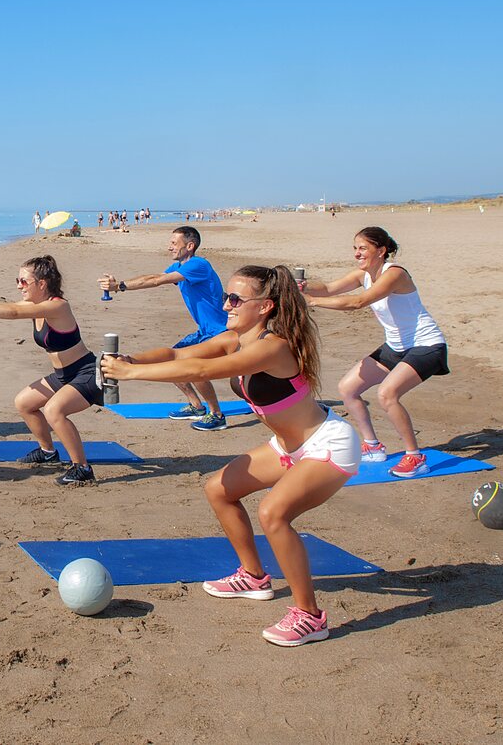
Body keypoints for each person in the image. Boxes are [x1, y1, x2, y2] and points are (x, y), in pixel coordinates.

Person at [102, 264, 358, 646]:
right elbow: (178, 353)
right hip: (288, 448)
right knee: (219, 489)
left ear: (266, 307)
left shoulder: (274, 346)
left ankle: (310, 616)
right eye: (226, 296)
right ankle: (254, 577)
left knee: (273, 513)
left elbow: (202, 368)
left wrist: (130, 376)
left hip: (328, 444)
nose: (226, 305)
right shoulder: (234, 339)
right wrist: (130, 361)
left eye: (236, 299)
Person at [301, 226, 449, 477]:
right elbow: (327, 288)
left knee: (387, 394)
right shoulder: (363, 274)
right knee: (348, 388)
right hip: (396, 346)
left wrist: (312, 302)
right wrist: (304, 287)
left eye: (363, 248)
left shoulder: (395, 274)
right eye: (355, 248)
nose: (357, 254)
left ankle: (415, 457)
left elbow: (358, 302)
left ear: (381, 251)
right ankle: (373, 446)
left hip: (426, 345)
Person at [0, 255, 102, 486]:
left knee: (53, 411)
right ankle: (48, 452)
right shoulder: (35, 305)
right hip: (63, 376)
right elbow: (5, 305)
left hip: (85, 373)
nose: (19, 285)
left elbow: (14, 312)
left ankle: (82, 468)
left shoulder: (58, 306)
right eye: (17, 280)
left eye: (23, 281)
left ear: (42, 283)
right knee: (24, 403)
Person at [98, 226, 231, 430]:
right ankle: (196, 406)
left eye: (173, 243)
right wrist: (121, 286)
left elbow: (157, 281)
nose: (169, 247)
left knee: (194, 370)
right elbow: (153, 278)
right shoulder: (181, 266)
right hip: (204, 331)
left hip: (220, 331)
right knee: (171, 361)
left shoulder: (198, 265)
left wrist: (119, 286)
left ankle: (217, 414)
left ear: (190, 245)